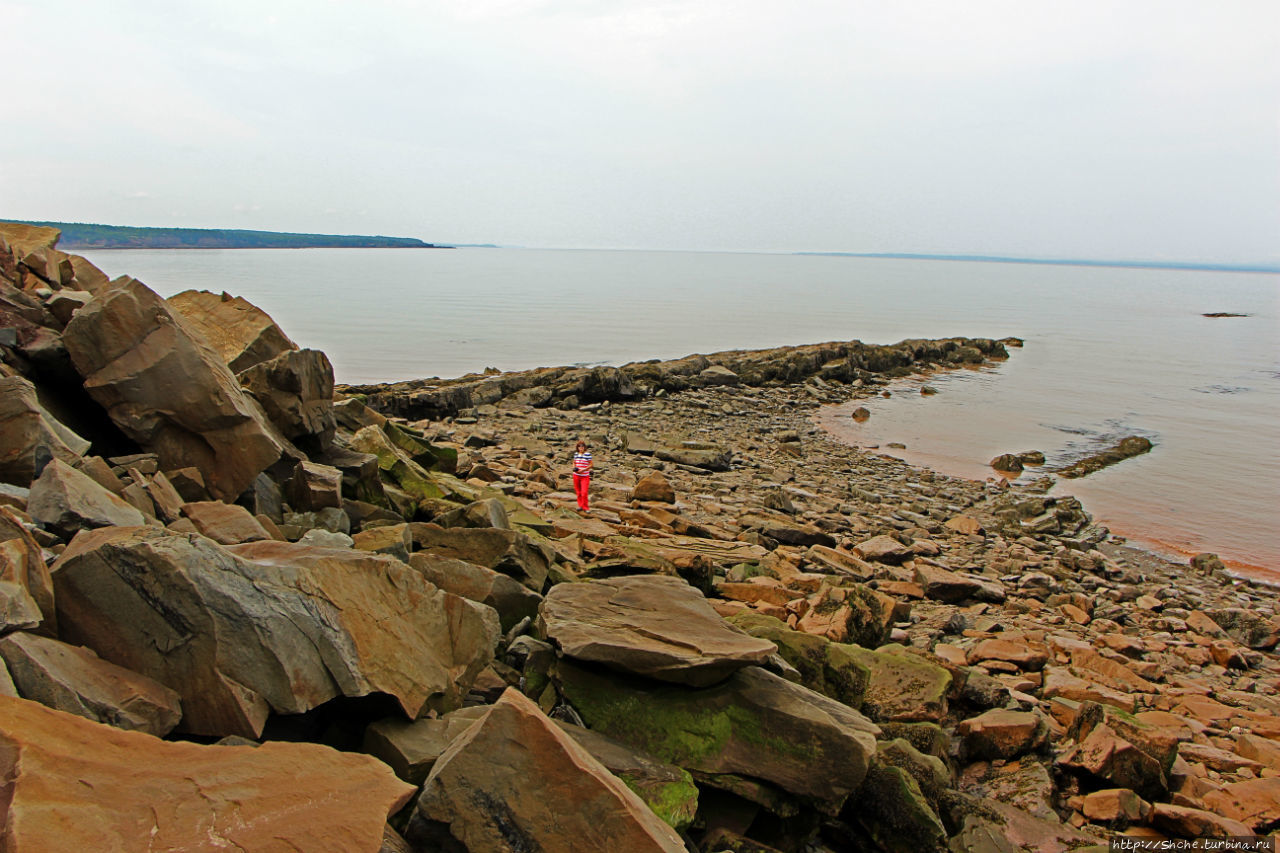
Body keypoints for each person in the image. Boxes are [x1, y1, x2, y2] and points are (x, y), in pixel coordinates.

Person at [571, 439, 592, 512]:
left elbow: (591, 464)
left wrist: (584, 470)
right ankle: (580, 505)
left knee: (584, 492)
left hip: (584, 476)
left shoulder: (587, 454)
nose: (581, 448)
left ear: (584, 447)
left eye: (582, 446)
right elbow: (574, 462)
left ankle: (586, 507)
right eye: (579, 446)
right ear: (577, 447)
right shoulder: (576, 454)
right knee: (578, 492)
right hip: (576, 475)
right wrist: (574, 467)